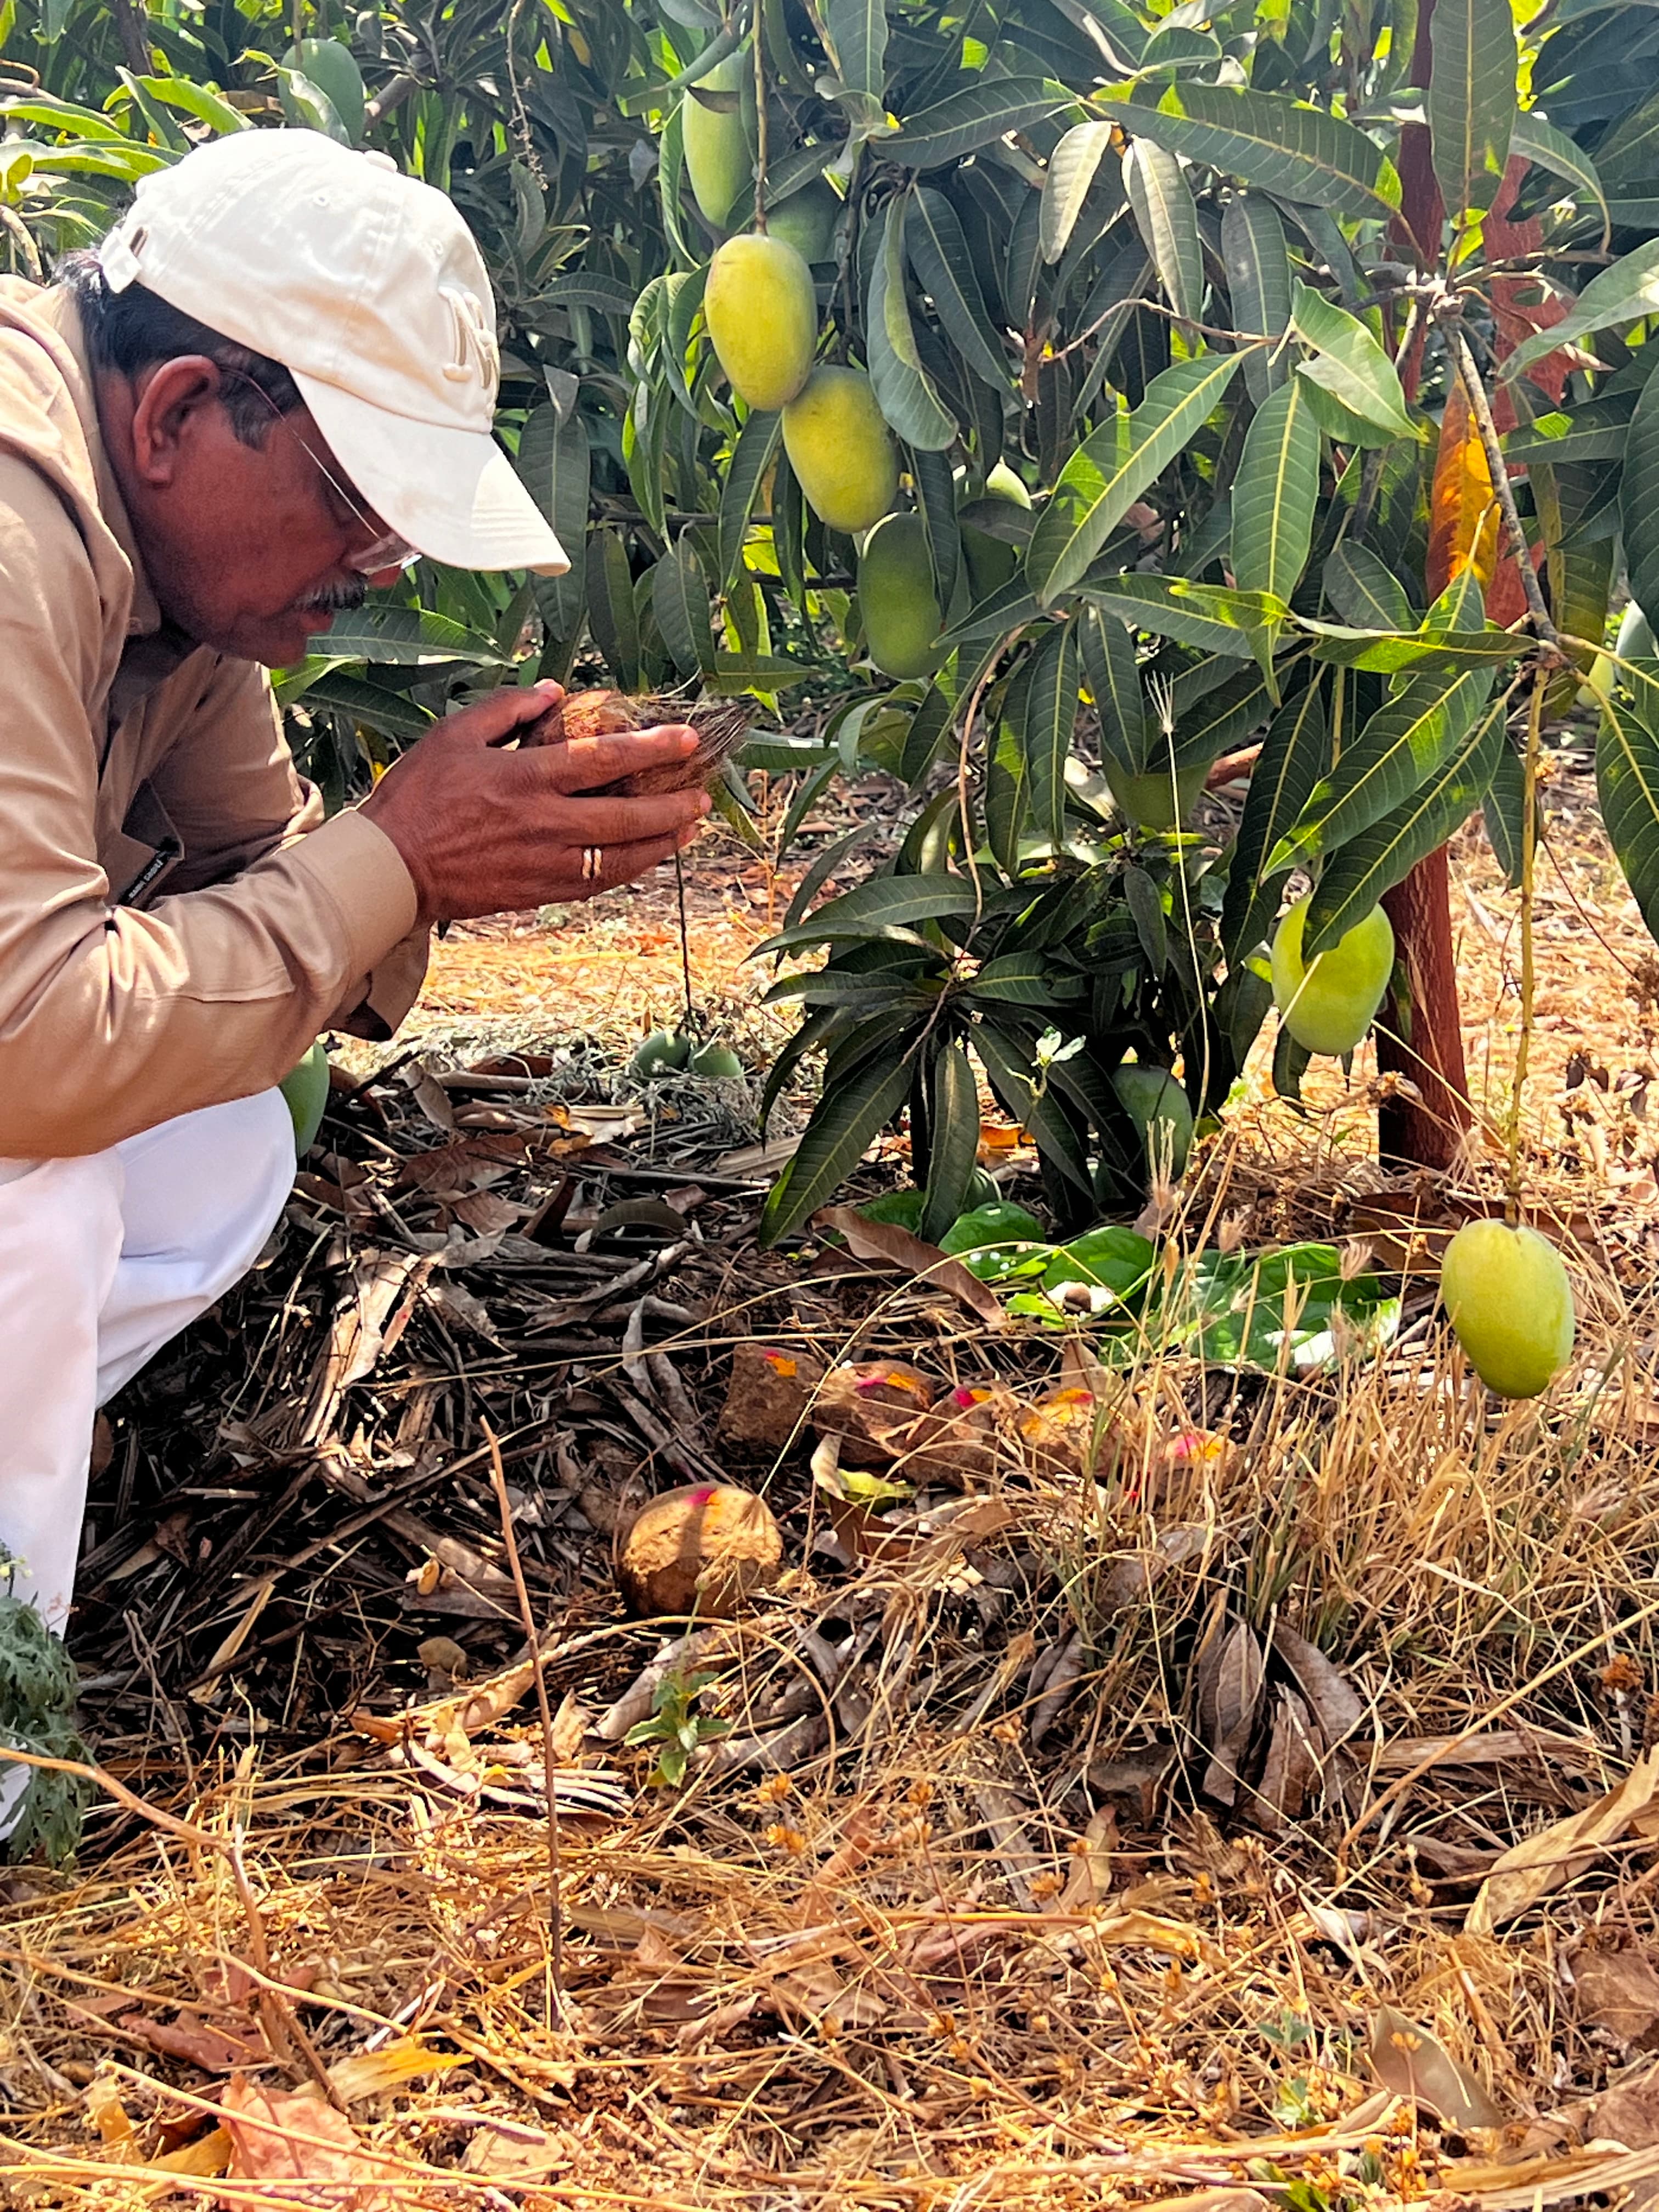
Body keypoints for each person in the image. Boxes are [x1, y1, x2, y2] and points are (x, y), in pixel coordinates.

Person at [0, 129, 708, 1777]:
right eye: (357, 500)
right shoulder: (20, 524)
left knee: (211, 1141)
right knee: (45, 1184)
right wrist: (396, 854)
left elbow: (266, 874)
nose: (381, 565)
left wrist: (452, 864)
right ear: (180, 410)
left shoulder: (172, 595)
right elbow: (30, 1050)